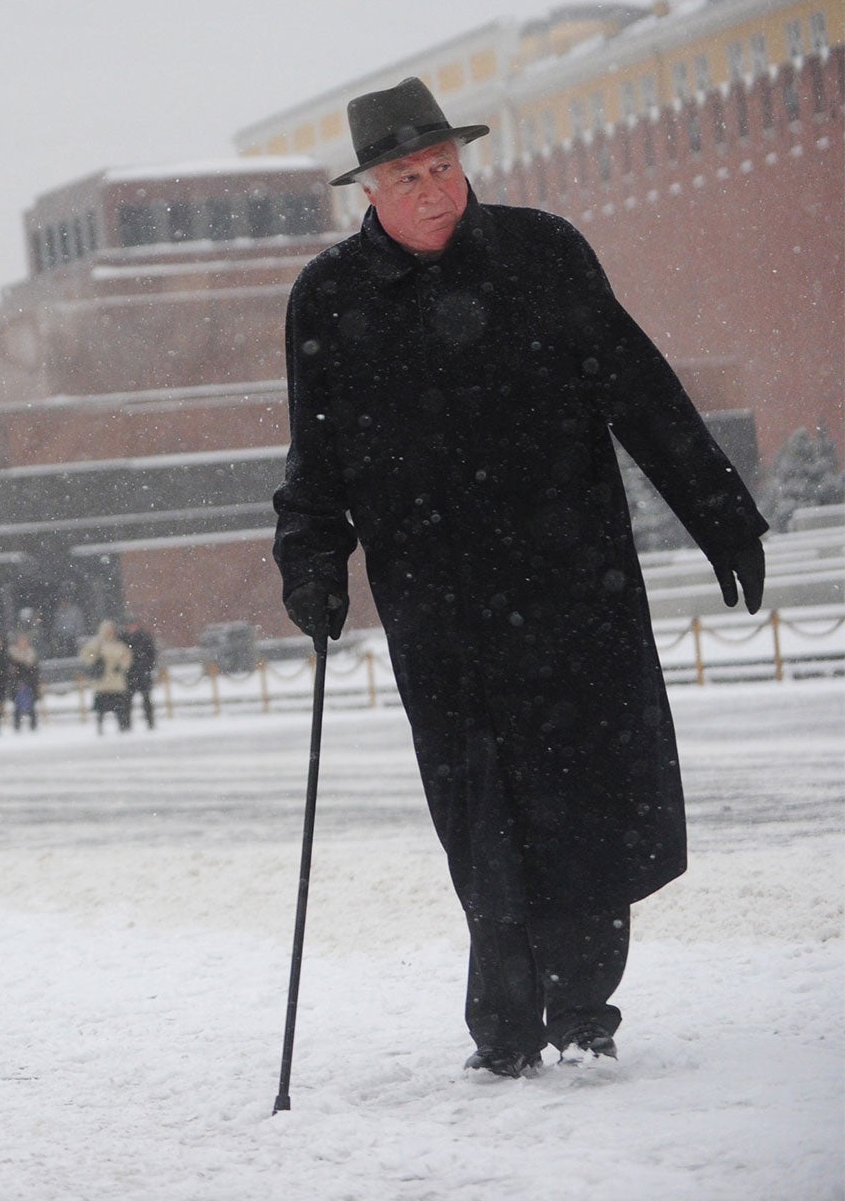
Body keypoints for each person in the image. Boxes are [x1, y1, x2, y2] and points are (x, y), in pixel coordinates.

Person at [273, 77, 767, 1079]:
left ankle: (579, 1008)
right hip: (439, 611)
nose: (431, 189)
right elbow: (312, 460)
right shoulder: (327, 301)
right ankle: (504, 1026)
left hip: (570, 588)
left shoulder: (543, 254)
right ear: (367, 189)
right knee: (481, 813)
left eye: (443, 166)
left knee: (587, 801)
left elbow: (638, 388)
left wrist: (717, 510)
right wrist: (310, 558)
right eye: (406, 175)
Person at [80, 620, 133, 733]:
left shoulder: (119, 644)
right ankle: (100, 727)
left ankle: (121, 726)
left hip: (116, 681)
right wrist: (95, 660)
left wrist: (122, 666)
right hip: (102, 682)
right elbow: (85, 655)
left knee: (119, 707)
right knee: (101, 708)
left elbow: (127, 657)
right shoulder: (96, 644)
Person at [122, 623, 159, 729]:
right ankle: (126, 724)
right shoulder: (125, 638)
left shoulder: (144, 638)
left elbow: (151, 654)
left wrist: (148, 666)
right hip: (130, 673)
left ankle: (150, 722)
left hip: (142, 673)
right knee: (127, 701)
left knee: (146, 699)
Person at [8, 632, 41, 731]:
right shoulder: (13, 655)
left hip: (30, 684)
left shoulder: (31, 655)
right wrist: (18, 680)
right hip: (17, 685)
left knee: (31, 706)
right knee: (17, 706)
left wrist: (29, 680)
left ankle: (33, 726)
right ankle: (17, 726)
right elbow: (11, 672)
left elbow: (35, 671)